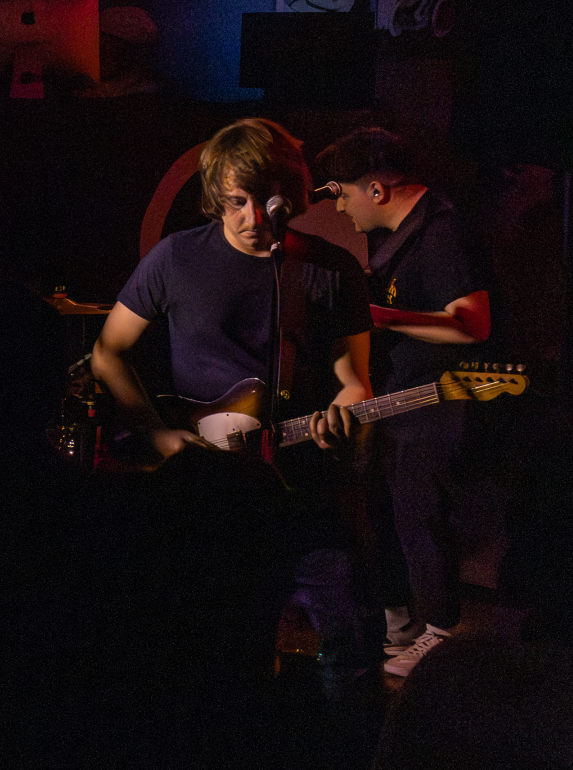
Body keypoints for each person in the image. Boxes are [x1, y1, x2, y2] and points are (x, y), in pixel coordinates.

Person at [89, 117, 375, 695]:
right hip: (205, 488)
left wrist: (344, 416)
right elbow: (108, 353)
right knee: (203, 649)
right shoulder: (175, 259)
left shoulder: (332, 270)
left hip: (299, 481)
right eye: (234, 201)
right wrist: (157, 434)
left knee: (351, 643)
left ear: (290, 197)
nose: (250, 219)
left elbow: (355, 383)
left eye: (263, 201)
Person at [316, 126, 490, 676]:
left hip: (437, 401)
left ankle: (440, 634)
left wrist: (377, 316)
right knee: (386, 511)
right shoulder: (399, 237)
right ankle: (405, 625)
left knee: (422, 516)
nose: (340, 207)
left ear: (377, 190)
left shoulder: (441, 233)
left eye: (344, 194)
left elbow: (474, 323)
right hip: (399, 401)